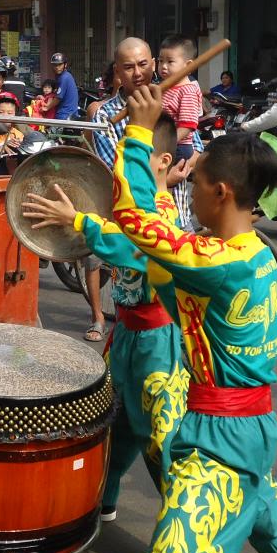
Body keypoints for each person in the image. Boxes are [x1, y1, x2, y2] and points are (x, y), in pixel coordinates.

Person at [113, 88, 277, 553]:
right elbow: (172, 247)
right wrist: (161, 191)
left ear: (222, 191)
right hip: (248, 425)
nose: (191, 187)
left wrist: (136, 132)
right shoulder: (255, 254)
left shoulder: (215, 263)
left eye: (197, 181)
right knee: (257, 497)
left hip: (217, 434)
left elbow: (134, 226)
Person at [21, 112, 186, 524]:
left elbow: (135, 251)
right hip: (127, 335)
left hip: (158, 344)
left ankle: (191, 529)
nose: (119, 172)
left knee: (165, 443)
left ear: (160, 162)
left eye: (131, 160)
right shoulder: (135, 211)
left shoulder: (162, 215)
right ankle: (100, 499)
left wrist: (77, 220)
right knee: (112, 425)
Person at [85, 37, 157, 343]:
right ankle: (103, 320)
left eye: (143, 64)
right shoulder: (105, 115)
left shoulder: (169, 100)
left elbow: (192, 148)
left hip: (172, 211)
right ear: (118, 71)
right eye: (128, 67)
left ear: (153, 64)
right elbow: (117, 168)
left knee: (168, 296)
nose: (137, 73)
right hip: (129, 217)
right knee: (127, 290)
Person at [157, 34, 205, 231]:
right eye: (160, 61)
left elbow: (187, 125)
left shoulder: (187, 90)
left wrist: (165, 142)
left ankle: (181, 230)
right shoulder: (166, 87)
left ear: (188, 65)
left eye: (170, 62)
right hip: (166, 145)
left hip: (178, 147)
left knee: (169, 194)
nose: (163, 67)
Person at [51, 51, 79, 121]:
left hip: (64, 115)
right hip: (71, 114)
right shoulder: (65, 76)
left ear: (65, 65)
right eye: (55, 65)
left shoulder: (64, 77)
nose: (57, 67)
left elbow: (58, 98)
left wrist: (46, 107)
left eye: (60, 65)